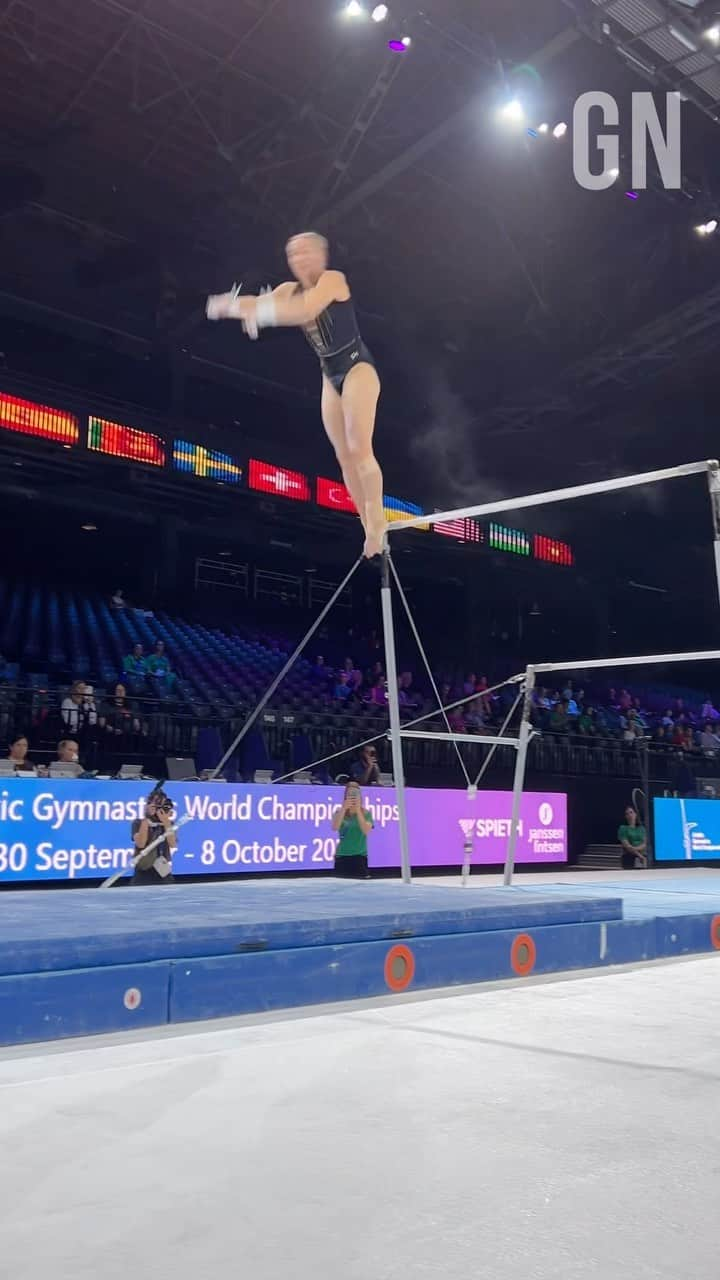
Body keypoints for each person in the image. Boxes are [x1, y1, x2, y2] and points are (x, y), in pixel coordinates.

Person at [207, 231, 386, 558]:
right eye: (293, 253)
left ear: (322, 256)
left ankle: (378, 522)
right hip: (329, 375)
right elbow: (259, 303)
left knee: (359, 447)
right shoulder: (288, 289)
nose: (299, 259)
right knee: (343, 455)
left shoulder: (333, 280)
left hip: (358, 368)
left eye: (306, 252)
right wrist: (227, 306)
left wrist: (260, 314)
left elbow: (304, 312)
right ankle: (367, 526)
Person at [130, 789, 177, 885]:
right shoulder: (138, 822)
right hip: (144, 871)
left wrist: (166, 822)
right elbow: (141, 844)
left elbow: (173, 844)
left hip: (162, 871)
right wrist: (146, 819)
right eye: (157, 805)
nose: (159, 808)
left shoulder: (168, 824)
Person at [332, 781, 374, 878]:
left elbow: (365, 830)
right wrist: (344, 809)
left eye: (355, 794)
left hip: (359, 856)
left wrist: (358, 811)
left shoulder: (366, 813)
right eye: (350, 794)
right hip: (342, 856)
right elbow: (335, 827)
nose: (353, 797)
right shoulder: (339, 811)